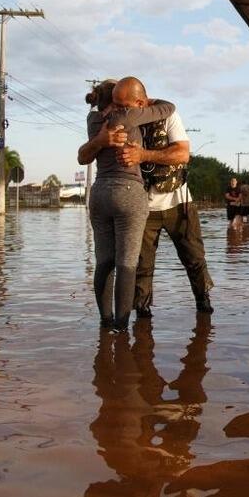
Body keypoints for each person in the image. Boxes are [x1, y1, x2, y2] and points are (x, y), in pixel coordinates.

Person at [78, 77, 175, 332]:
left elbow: (84, 156)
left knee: (104, 261)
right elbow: (168, 107)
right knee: (127, 264)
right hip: (128, 192)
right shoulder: (128, 117)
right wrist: (144, 100)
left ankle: (105, 322)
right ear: (119, 101)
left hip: (99, 194)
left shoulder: (93, 121)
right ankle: (121, 329)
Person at [117, 101, 214, 318]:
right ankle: (141, 314)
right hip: (141, 206)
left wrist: (143, 155)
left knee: (195, 257)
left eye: (125, 105)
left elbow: (182, 154)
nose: (122, 110)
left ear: (140, 102)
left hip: (179, 202)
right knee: (141, 264)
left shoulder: (169, 116)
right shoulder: (121, 123)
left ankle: (203, 305)